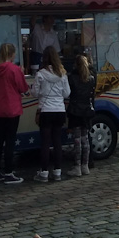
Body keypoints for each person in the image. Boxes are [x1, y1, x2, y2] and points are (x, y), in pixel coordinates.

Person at [0, 43, 29, 184]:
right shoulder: (14, 69)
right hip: (12, 108)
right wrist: (22, 73)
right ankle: (8, 172)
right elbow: (23, 87)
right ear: (12, 54)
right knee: (10, 141)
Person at [31, 45, 71, 182]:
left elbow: (35, 93)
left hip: (45, 110)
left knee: (45, 143)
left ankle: (43, 173)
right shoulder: (62, 74)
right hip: (59, 110)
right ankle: (58, 171)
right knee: (58, 142)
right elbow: (67, 93)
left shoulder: (40, 74)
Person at [65, 54, 95, 177]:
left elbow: (68, 94)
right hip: (87, 111)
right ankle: (85, 165)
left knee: (77, 140)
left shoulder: (71, 78)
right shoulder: (91, 79)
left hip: (75, 111)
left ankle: (77, 166)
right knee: (85, 139)